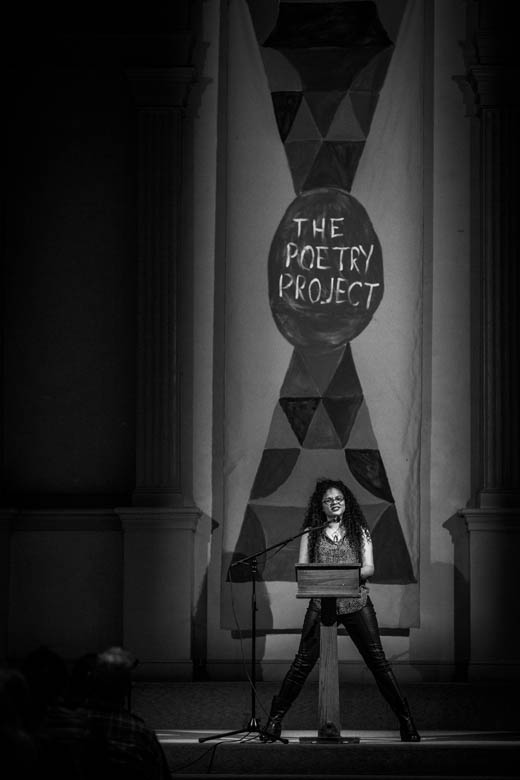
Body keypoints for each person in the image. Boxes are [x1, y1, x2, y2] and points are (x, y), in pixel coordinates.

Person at [260, 478, 420, 743]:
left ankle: (406, 720)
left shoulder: (359, 530)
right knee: (301, 664)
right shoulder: (311, 533)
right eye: (328, 500)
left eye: (339, 499)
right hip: (322, 603)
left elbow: (369, 568)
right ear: (321, 506)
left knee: (378, 662)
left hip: (356, 602)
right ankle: (274, 721)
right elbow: (303, 568)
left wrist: (344, 577)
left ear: (346, 502)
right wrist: (326, 580)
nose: (334, 503)